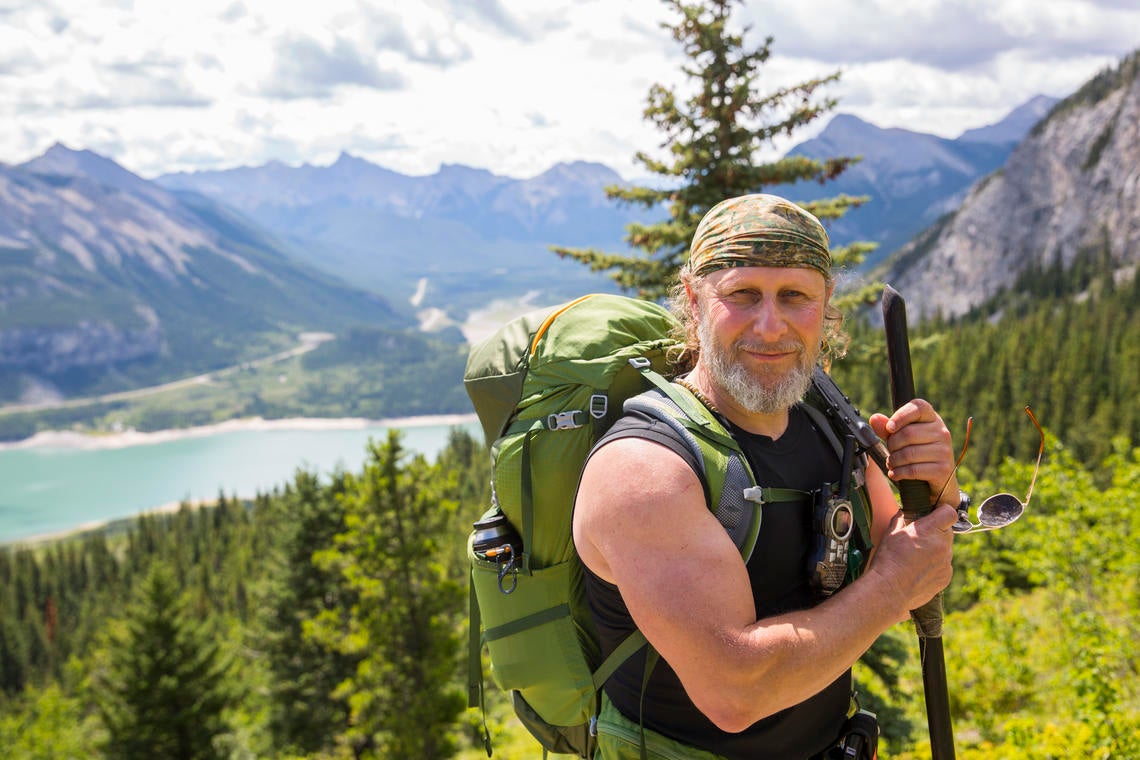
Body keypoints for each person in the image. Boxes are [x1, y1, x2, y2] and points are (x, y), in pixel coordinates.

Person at [572, 193, 960, 759]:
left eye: (795, 296)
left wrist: (936, 490)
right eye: (743, 295)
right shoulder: (645, 469)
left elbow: (909, 560)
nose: (771, 325)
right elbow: (735, 691)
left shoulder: (825, 421)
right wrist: (897, 582)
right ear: (695, 300)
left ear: (825, 306)